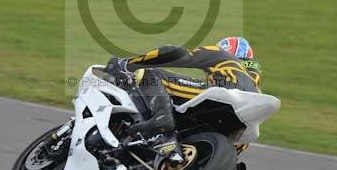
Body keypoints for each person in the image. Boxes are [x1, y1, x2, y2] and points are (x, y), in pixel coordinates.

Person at [105, 37, 263, 140]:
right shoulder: (256, 92)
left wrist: (127, 64)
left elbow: (175, 53)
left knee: (149, 74)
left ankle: (161, 116)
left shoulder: (223, 56)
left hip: (224, 94)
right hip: (228, 138)